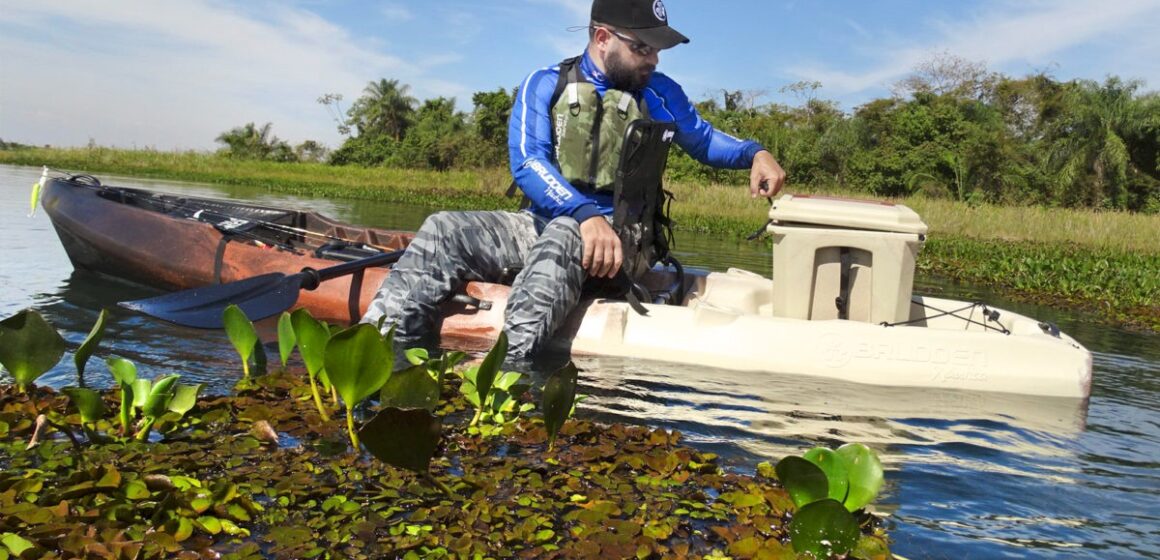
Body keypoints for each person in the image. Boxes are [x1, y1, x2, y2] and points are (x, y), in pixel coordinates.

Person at [361, 0, 786, 360]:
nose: (653, 59)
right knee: (443, 227)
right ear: (603, 38)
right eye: (642, 48)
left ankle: (512, 370)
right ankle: (380, 353)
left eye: (657, 50)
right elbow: (528, 162)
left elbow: (705, 139)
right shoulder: (544, 83)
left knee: (565, 233)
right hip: (547, 225)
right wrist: (583, 213)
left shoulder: (660, 93)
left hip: (626, 240)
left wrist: (755, 152)